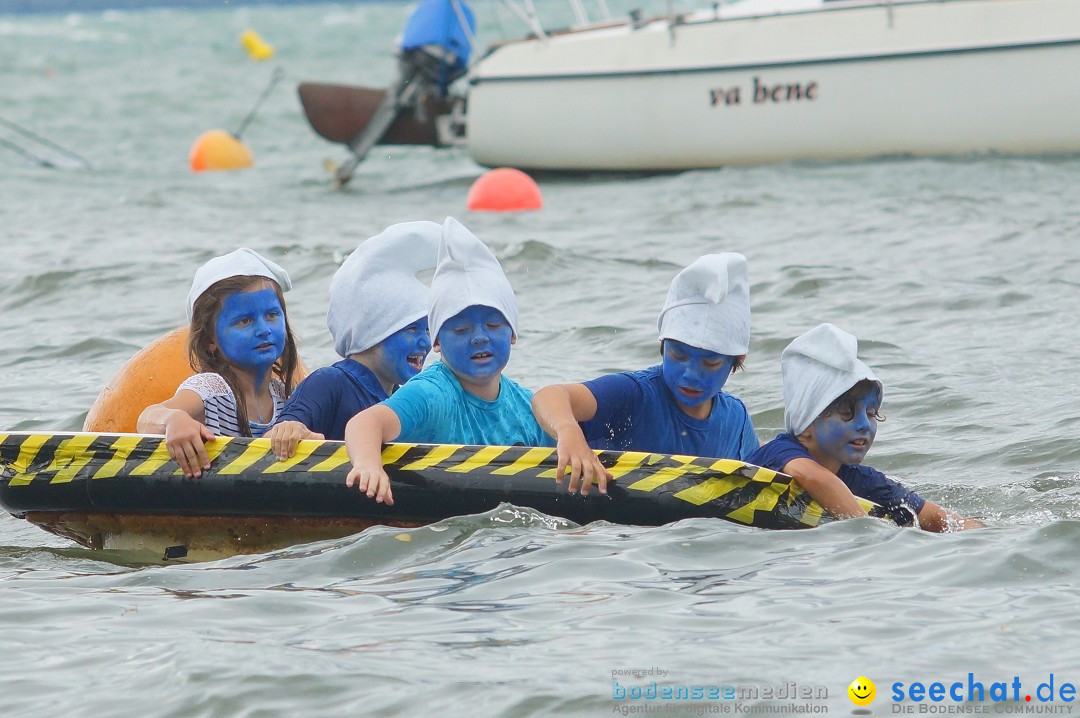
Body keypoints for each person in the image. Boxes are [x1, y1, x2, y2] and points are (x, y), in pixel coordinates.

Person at [343, 216, 552, 505]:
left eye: (493, 326)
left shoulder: (527, 406)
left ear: (513, 333)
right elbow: (364, 423)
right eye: (462, 329)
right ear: (437, 342)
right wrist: (368, 465)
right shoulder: (433, 393)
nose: (479, 338)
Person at [531, 253, 758, 496]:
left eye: (710, 362)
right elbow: (549, 395)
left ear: (736, 361)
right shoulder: (635, 396)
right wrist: (568, 431)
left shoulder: (736, 419)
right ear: (663, 347)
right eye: (678, 356)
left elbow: (764, 467)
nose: (691, 374)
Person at [748, 323, 982, 531]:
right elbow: (815, 479)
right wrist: (868, 534)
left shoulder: (863, 480)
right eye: (847, 413)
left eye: (871, 413)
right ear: (806, 424)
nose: (863, 425)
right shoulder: (779, 453)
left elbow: (938, 519)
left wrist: (982, 534)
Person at [267, 222, 439, 459]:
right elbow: (281, 432)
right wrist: (291, 427)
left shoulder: (400, 399)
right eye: (412, 329)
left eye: (428, 331)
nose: (425, 343)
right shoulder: (329, 383)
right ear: (373, 331)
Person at [137, 248, 299, 478]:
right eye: (245, 321)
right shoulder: (211, 389)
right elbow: (148, 418)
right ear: (209, 340)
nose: (263, 330)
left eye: (272, 315)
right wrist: (174, 420)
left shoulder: (284, 396)